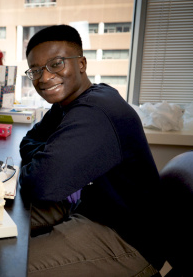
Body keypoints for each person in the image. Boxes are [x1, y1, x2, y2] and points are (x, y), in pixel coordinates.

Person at [19, 25, 165, 276]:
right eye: (35, 70)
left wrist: (45, 160)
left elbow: (39, 184)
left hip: (127, 238)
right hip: (92, 208)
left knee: (7, 266)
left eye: (56, 64)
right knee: (2, 226)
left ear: (82, 63)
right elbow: (28, 141)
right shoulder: (69, 103)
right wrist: (49, 155)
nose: (43, 78)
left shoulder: (95, 111)